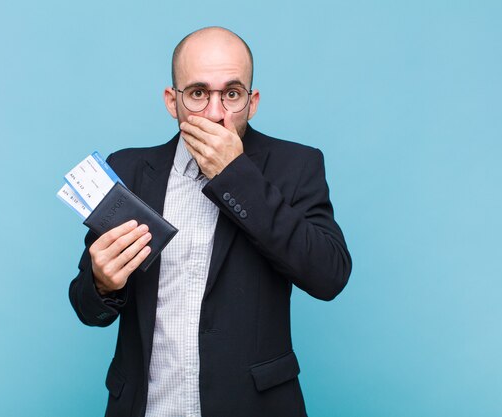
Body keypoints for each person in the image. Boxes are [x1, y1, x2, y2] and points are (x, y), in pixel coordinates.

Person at [69, 26, 352, 417]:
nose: (216, 113)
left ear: (252, 102)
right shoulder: (129, 170)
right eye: (198, 93)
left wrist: (236, 175)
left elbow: (329, 275)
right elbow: (87, 308)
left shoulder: (296, 166)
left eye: (231, 94)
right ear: (173, 101)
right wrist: (101, 282)